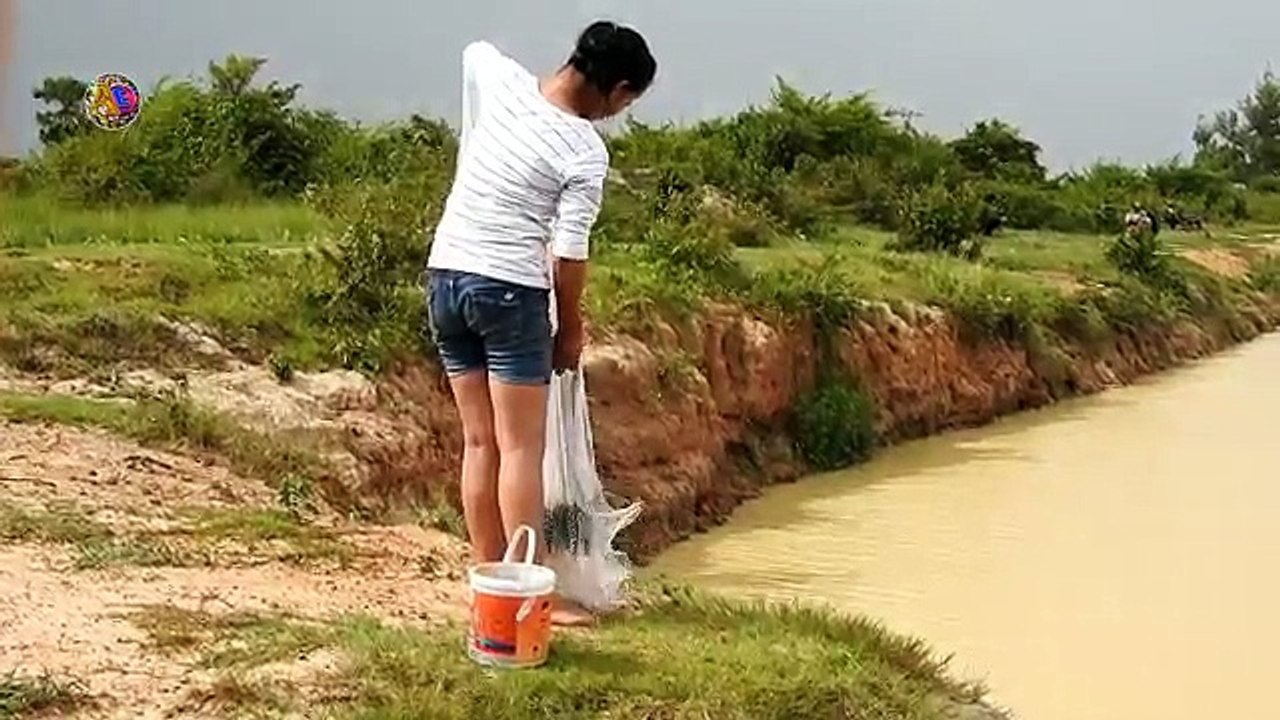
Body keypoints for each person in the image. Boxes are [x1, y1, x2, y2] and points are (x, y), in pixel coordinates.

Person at [425, 21, 656, 625]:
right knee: (521, 449)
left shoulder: (504, 83)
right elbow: (569, 253)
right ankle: (529, 596)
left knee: (480, 442)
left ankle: (488, 580)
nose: (617, 115)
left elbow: (475, 50)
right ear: (617, 89)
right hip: (509, 293)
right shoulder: (583, 150)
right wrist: (570, 327)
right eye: (626, 103)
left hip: (445, 278)